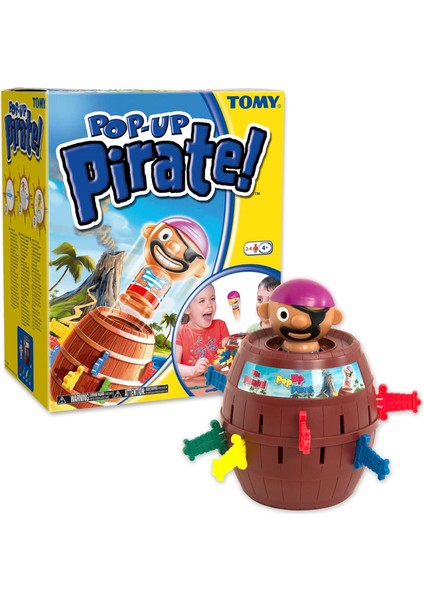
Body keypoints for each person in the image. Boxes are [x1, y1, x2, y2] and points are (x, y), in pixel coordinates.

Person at [175, 284, 229, 378]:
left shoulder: (221, 326)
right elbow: (174, 366)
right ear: (187, 309)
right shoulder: (180, 332)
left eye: (212, 299)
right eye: (202, 301)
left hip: (213, 383)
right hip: (190, 384)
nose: (209, 305)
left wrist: (210, 368)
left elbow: (226, 357)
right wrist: (193, 371)